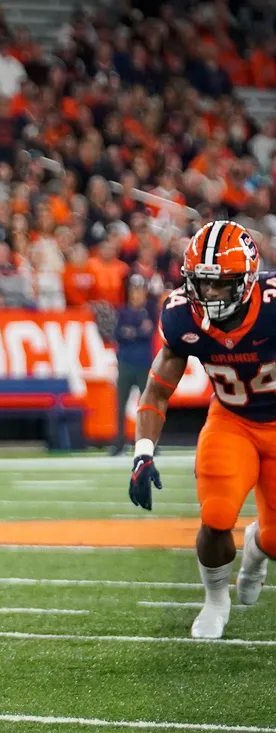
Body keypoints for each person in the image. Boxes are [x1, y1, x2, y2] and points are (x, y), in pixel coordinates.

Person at [130, 221, 274, 640]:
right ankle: (214, 600)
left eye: (220, 284)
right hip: (233, 421)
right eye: (201, 282)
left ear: (247, 281)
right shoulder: (181, 316)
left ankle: (256, 548)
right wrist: (142, 452)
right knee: (215, 516)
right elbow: (157, 392)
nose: (207, 294)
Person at [112, 275, 155, 455]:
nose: (135, 294)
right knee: (120, 404)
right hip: (126, 363)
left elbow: (147, 333)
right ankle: (119, 442)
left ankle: (150, 442)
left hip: (143, 363)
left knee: (149, 406)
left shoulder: (150, 312)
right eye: (133, 290)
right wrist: (136, 332)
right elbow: (118, 334)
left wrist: (132, 332)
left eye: (139, 290)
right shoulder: (122, 312)